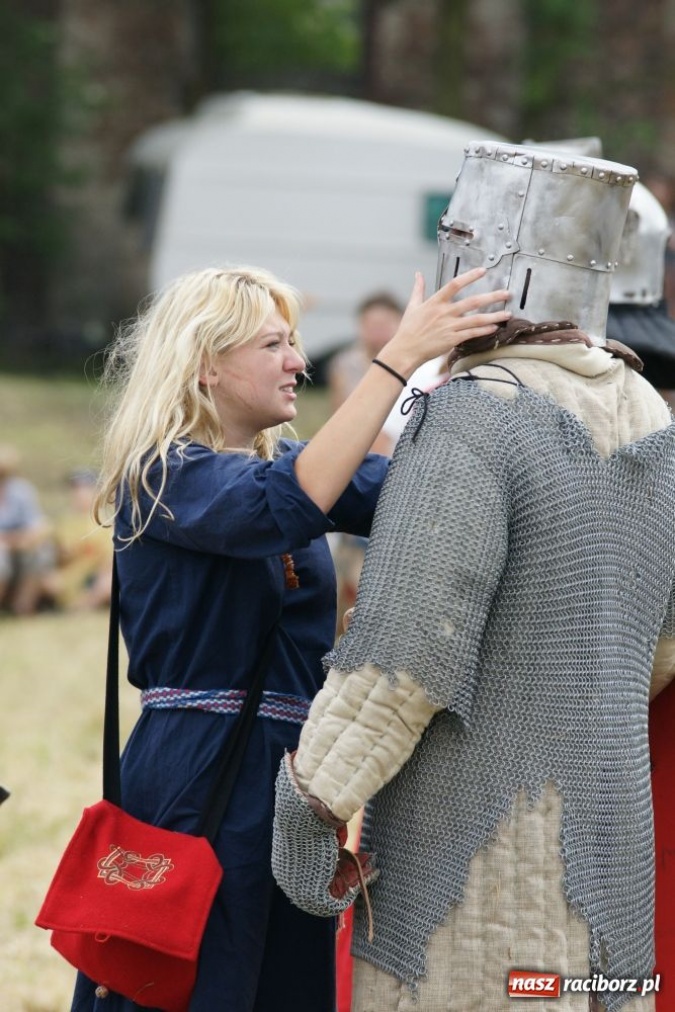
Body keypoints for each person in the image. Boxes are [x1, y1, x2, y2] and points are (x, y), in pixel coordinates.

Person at [272, 143, 675, 1012]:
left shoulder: (474, 414)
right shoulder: (652, 416)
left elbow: (403, 655)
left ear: (486, 259)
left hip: (479, 869)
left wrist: (311, 800)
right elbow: (656, 648)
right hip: (608, 847)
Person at [70, 262, 511, 1012]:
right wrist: (395, 360)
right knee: (191, 986)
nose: (298, 363)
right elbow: (282, 504)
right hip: (196, 777)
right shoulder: (162, 474)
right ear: (206, 363)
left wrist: (483, 379)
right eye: (273, 344)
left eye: (294, 343)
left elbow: (418, 489)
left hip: (291, 777)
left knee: (287, 989)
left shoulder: (285, 467)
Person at [39, 469, 113, 612]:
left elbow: (109, 560)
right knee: (47, 581)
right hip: (69, 575)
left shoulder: (107, 521)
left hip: (95, 577)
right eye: (75, 489)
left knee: (107, 583)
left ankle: (81, 606)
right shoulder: (63, 521)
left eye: (84, 488)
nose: (79, 493)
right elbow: (56, 556)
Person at [0, 444, 53, 616]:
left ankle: (23, 607)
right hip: (6, 548)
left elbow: (39, 525)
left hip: (19, 546)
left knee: (42, 550)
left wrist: (18, 540)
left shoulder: (21, 490)